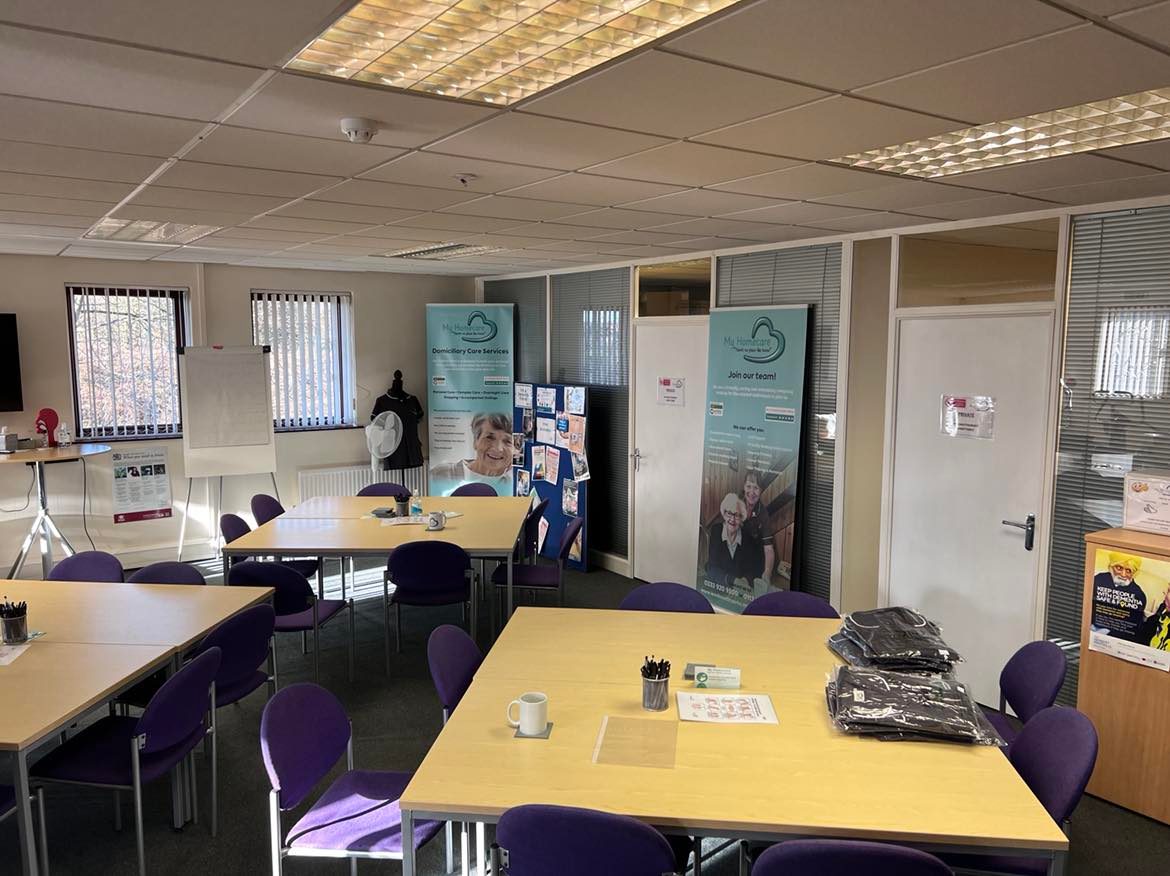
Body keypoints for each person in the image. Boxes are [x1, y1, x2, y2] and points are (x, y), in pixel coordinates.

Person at [429, 411, 513, 494]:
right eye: (489, 437)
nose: (498, 448)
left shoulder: (513, 484)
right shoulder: (441, 473)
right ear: (475, 441)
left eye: (508, 441)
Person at [705, 492, 765, 591]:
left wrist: (745, 580)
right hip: (719, 588)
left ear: (742, 518)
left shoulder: (747, 537)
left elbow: (752, 568)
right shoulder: (716, 531)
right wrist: (734, 581)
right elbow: (712, 567)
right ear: (724, 514)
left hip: (741, 590)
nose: (732, 519)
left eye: (737, 515)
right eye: (729, 513)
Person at [1091, 552, 1149, 642]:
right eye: (1119, 568)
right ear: (1111, 567)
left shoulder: (1138, 596)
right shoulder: (1098, 579)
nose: (1123, 574)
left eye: (1128, 571)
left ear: (1134, 573)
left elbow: (1130, 629)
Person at [740, 469, 777, 581]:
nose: (752, 492)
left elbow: (768, 549)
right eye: (748, 486)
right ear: (744, 487)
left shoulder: (763, 513)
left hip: (757, 554)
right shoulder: (736, 503)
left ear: (761, 491)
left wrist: (767, 572)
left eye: (756, 488)